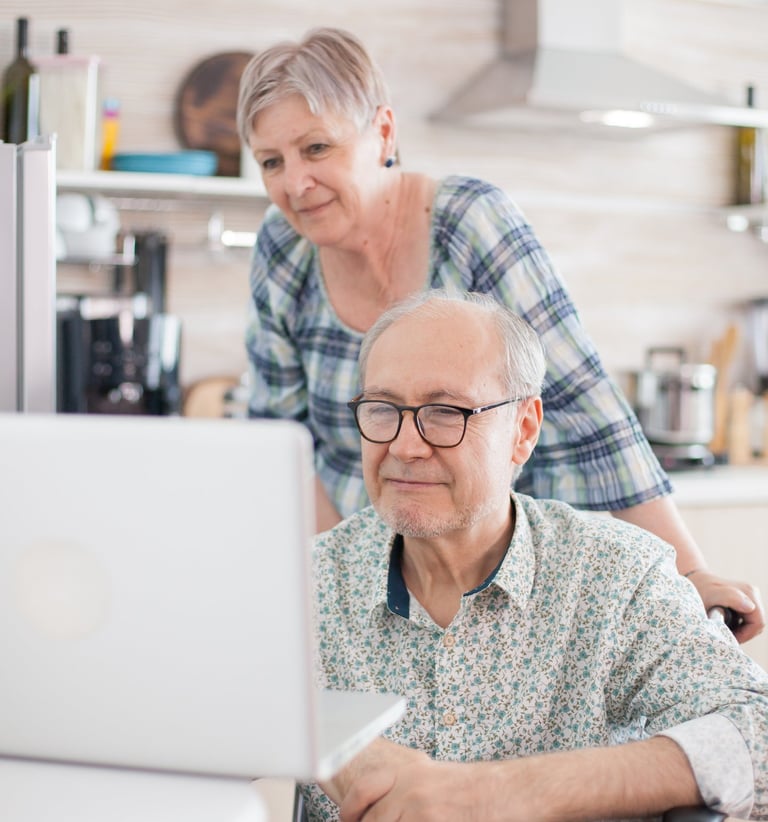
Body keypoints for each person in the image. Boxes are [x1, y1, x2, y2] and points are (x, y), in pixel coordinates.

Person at [236, 26, 764, 640]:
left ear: (382, 132)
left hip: (518, 568)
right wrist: (336, 586)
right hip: (384, 572)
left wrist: (690, 572)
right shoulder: (282, 248)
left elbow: (587, 406)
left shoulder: (469, 220)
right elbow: (284, 440)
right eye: (271, 161)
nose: (294, 183)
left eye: (316, 148)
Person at [304, 289, 768, 822]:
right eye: (384, 409)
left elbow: (757, 730)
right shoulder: (306, 582)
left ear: (522, 430)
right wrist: (324, 734)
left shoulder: (615, 578)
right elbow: (194, 707)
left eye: (445, 412)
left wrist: (503, 792)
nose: (406, 446)